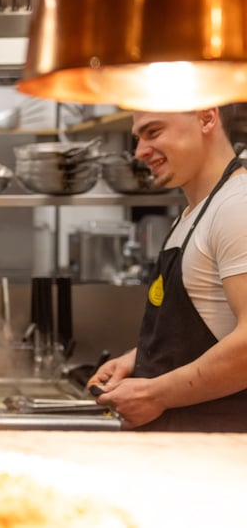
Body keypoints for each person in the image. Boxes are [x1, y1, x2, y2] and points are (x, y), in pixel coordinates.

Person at [88, 105, 247, 432]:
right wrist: (139, 359)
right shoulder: (191, 215)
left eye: (154, 132)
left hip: (221, 450)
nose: (140, 152)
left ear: (206, 117)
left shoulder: (237, 206)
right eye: (138, 137)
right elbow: (211, 326)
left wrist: (154, 394)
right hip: (182, 447)